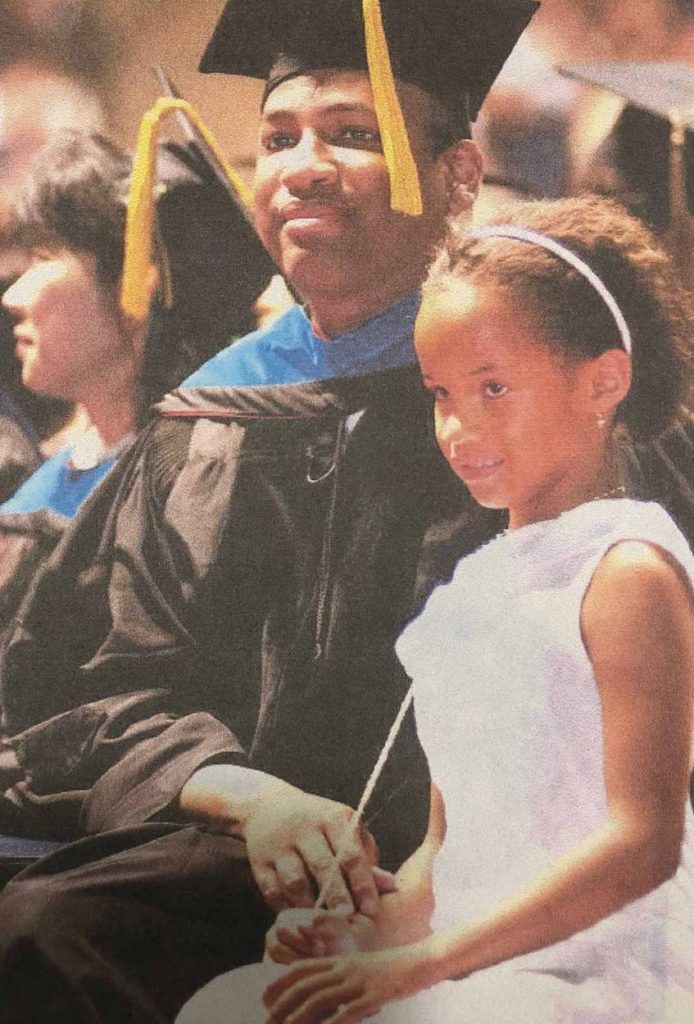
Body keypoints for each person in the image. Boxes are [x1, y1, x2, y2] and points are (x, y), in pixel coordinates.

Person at [0, 1, 537, 1021]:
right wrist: (252, 798)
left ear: (460, 177)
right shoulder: (207, 418)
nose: (301, 164)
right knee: (52, 920)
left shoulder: (527, 400)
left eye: (352, 133)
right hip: (234, 841)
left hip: (474, 862)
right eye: (278, 138)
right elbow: (101, 688)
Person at [185, 195, 694, 1024]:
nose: (458, 426)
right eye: (441, 394)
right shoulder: (473, 590)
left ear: (602, 381)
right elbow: (441, 857)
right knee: (231, 1006)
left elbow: (644, 842)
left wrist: (420, 966)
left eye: (494, 387)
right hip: (467, 963)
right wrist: (363, 940)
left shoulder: (626, 568)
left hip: (602, 970)